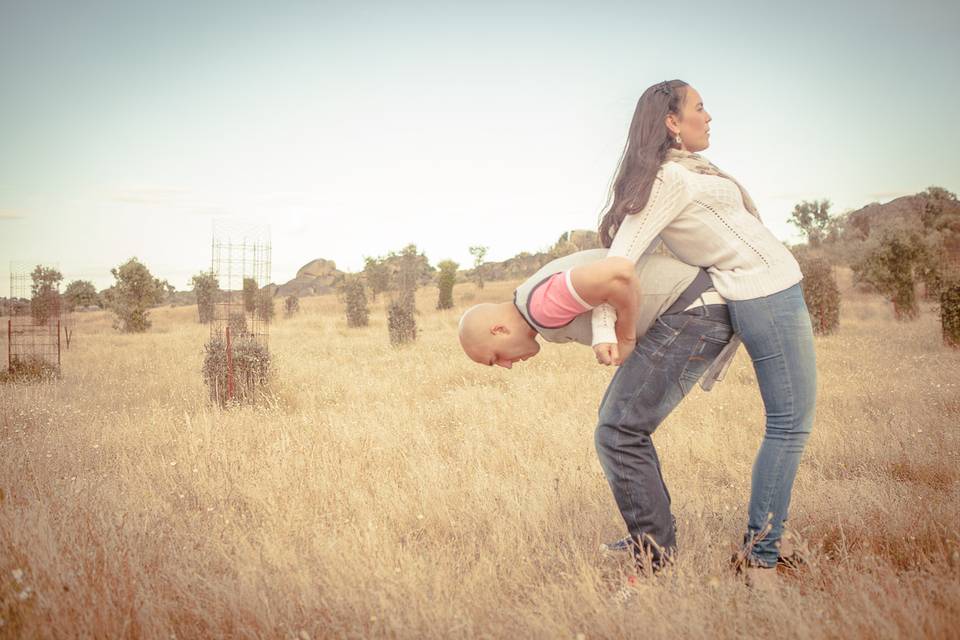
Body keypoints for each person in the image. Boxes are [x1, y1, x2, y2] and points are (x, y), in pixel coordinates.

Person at [592, 79, 816, 588]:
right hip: (766, 291)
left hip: (766, 287)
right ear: (672, 121)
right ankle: (760, 561)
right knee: (789, 425)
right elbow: (620, 259)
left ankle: (754, 553)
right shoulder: (673, 179)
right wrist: (604, 325)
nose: (708, 115)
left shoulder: (695, 171)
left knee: (787, 424)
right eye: (699, 107)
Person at [459, 248, 734, 571]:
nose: (505, 366)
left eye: (495, 358)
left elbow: (617, 277)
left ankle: (654, 557)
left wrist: (626, 335)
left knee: (618, 431)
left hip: (691, 311)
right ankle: (650, 537)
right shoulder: (533, 303)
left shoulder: (539, 305)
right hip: (691, 309)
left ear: (499, 331)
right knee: (616, 425)